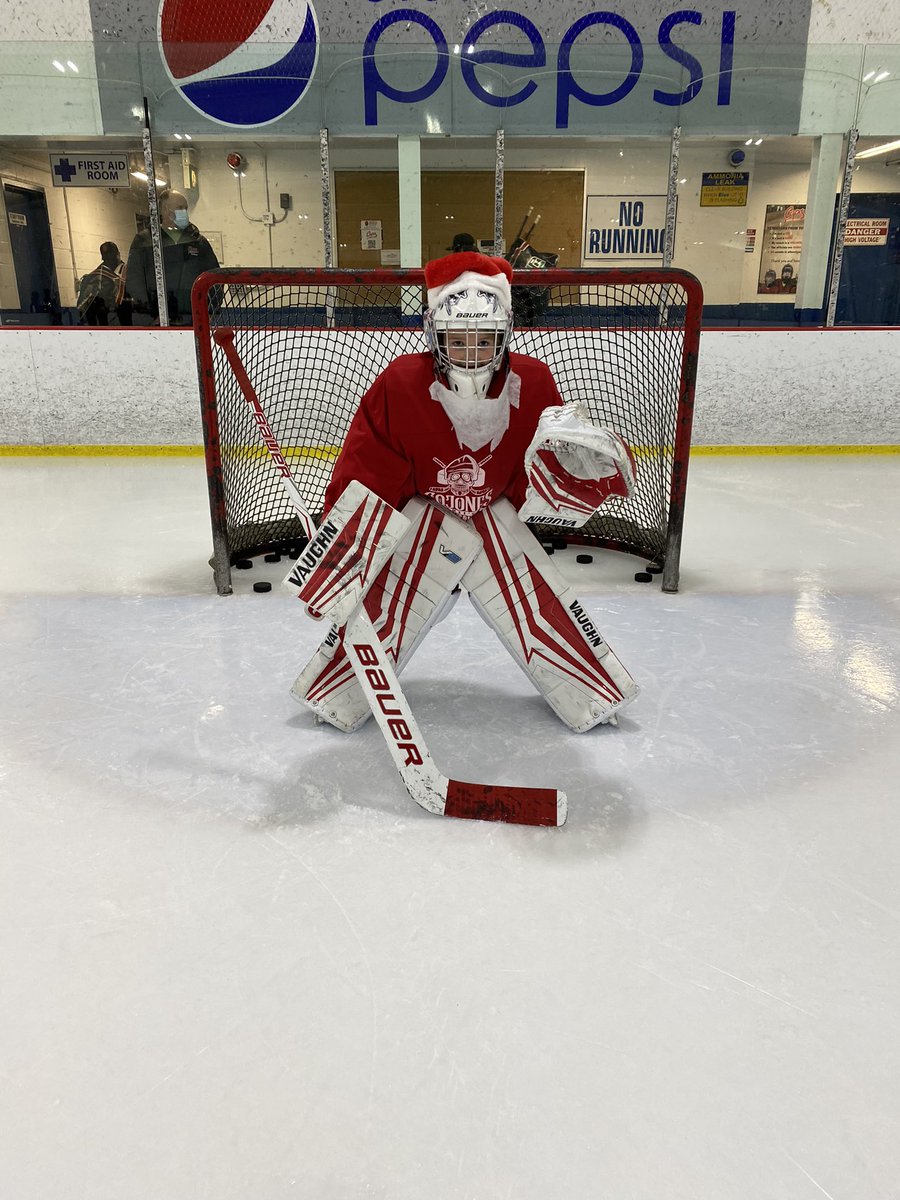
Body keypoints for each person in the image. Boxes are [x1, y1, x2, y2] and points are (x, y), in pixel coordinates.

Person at [292, 251, 639, 736]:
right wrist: (341, 559)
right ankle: (336, 694)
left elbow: (535, 476)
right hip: (422, 518)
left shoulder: (534, 382)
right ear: (434, 331)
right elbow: (367, 475)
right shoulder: (400, 384)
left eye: (484, 339)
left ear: (507, 333)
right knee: (385, 601)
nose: (471, 351)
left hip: (494, 517)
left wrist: (576, 477)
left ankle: (590, 696)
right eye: (458, 339)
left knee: (532, 597)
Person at [125, 190, 219, 325]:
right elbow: (135, 280)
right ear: (165, 209)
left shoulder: (198, 242)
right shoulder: (146, 241)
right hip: (158, 322)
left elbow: (213, 279)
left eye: (186, 208)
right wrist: (148, 317)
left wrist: (209, 312)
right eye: (180, 208)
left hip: (193, 319)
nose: (184, 212)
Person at [76, 242, 128, 325]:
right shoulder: (93, 278)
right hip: (109, 324)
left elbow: (81, 309)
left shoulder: (91, 277)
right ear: (118, 254)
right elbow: (83, 310)